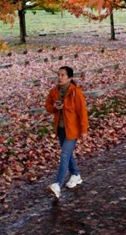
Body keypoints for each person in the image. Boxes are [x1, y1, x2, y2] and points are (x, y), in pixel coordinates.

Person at [45, 65, 89, 199]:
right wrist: (55, 107)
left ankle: (57, 184)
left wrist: (84, 130)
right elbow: (48, 107)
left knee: (64, 155)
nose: (59, 77)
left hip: (73, 129)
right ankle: (76, 175)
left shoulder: (76, 92)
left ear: (70, 77)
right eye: (58, 75)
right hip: (60, 128)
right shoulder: (54, 91)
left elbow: (82, 112)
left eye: (63, 75)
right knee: (68, 154)